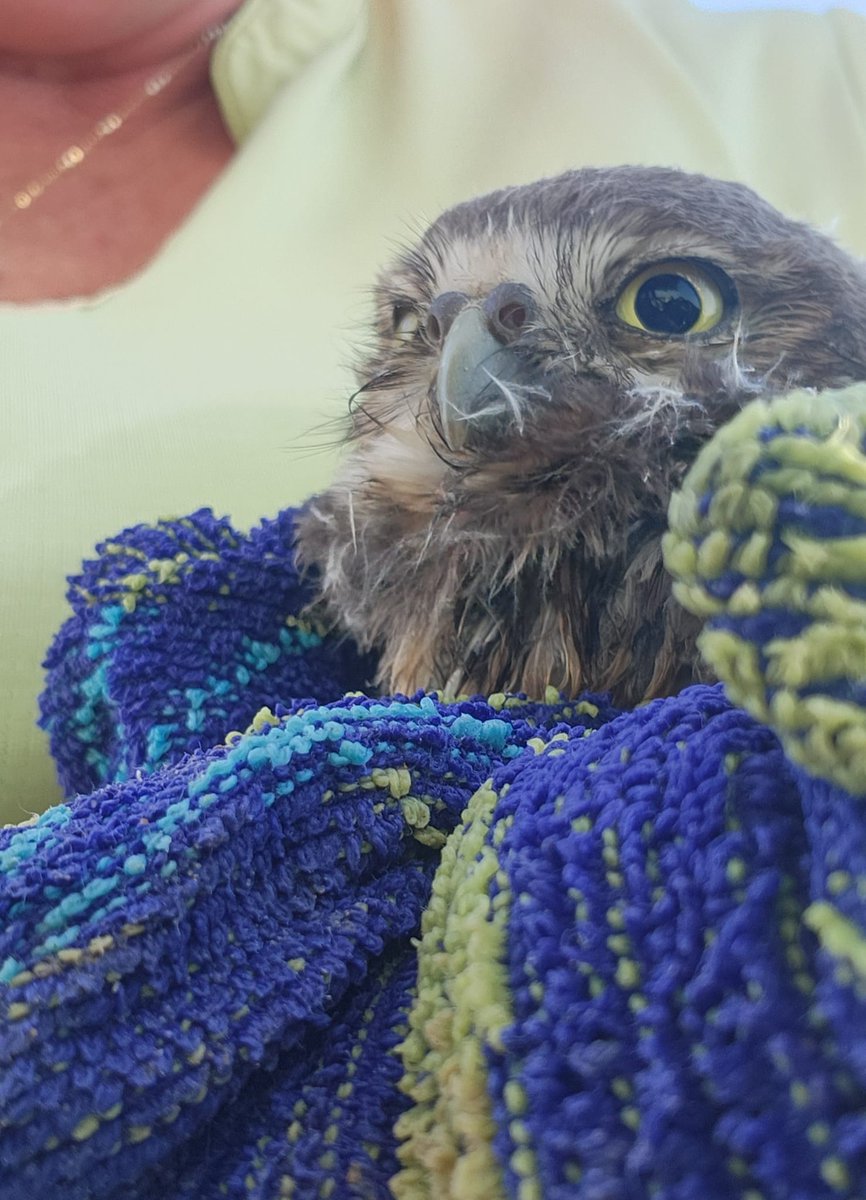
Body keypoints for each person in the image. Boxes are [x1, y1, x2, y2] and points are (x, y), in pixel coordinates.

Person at [2, 0, 866, 824]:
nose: (470, 351)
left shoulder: (808, 69)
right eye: (418, 325)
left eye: (667, 305)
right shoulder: (362, 567)